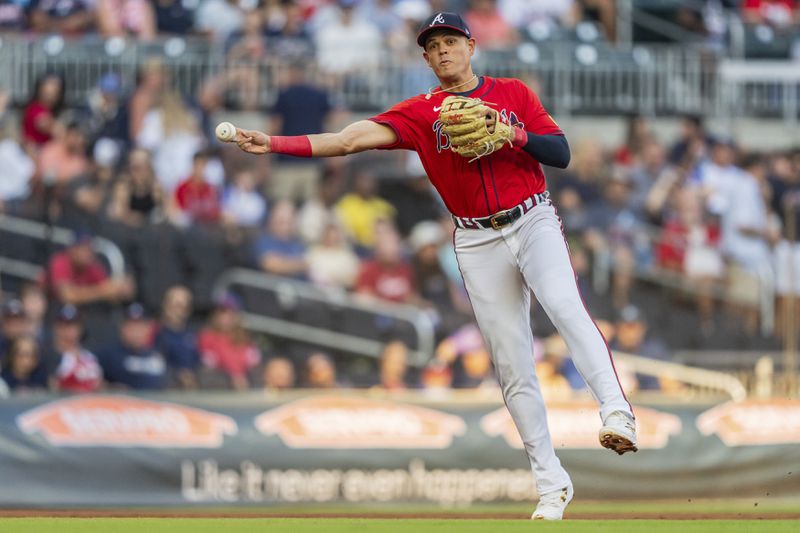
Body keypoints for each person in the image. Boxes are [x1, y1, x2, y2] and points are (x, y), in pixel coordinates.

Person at [229, 12, 635, 520]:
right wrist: (275, 143)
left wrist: (513, 134)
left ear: (471, 46)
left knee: (565, 307)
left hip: (532, 218)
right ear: (424, 57)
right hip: (474, 238)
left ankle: (617, 412)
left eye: (450, 41)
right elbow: (350, 139)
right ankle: (551, 482)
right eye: (432, 45)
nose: (442, 50)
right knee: (511, 363)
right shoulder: (421, 113)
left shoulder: (512, 94)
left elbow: (562, 153)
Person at [98, 302, 168, 390]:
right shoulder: (107, 355)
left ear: (149, 328)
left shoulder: (157, 354)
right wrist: (110, 388)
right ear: (122, 328)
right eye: (131, 326)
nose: (136, 332)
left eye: (140, 326)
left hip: (158, 401)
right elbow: (94, 383)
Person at [49, 304, 104, 393]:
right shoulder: (49, 355)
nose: (69, 330)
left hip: (89, 403)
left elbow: (99, 384)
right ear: (56, 328)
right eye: (64, 325)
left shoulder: (89, 356)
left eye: (73, 325)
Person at [154, 285, 200, 389]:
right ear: (165, 306)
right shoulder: (155, 332)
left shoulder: (192, 335)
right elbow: (152, 361)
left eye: (184, 307)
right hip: (165, 386)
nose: (179, 311)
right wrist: (178, 375)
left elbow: (198, 360)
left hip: (192, 386)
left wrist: (192, 375)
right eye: (176, 306)